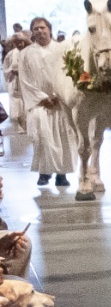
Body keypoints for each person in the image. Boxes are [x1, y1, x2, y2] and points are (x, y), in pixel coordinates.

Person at [17, 19, 75, 191]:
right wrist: (42, 98)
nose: (39, 31)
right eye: (35, 29)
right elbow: (25, 80)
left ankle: (61, 175)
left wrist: (58, 95)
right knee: (43, 137)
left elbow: (70, 73)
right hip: (40, 104)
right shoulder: (26, 53)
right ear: (32, 33)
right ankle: (44, 172)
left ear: (50, 30)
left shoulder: (62, 49)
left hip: (60, 102)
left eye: (42, 28)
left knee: (62, 137)